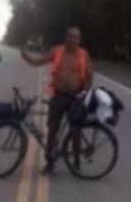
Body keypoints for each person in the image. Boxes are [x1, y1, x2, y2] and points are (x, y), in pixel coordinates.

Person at [20, 27, 93, 174]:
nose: (72, 40)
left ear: (79, 40)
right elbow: (38, 61)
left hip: (76, 97)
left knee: (76, 131)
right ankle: (50, 162)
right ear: (65, 37)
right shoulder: (57, 51)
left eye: (76, 37)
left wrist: (84, 93)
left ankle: (77, 162)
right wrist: (26, 56)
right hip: (58, 96)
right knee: (53, 130)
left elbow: (89, 75)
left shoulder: (83, 54)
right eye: (70, 36)